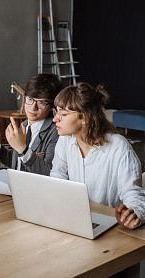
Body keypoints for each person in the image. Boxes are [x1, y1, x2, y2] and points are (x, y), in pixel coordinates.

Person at [50, 82, 145, 230]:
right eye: (56, 112)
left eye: (63, 114)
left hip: (109, 226)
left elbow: (133, 194)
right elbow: (57, 177)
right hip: (75, 219)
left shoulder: (119, 147)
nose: (55, 119)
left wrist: (134, 213)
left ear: (85, 118)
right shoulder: (65, 140)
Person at [0, 73, 64, 195]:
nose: (32, 107)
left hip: (38, 195)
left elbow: (49, 174)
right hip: (16, 191)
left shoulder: (56, 132)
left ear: (52, 106)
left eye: (41, 103)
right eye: (29, 99)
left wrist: (22, 149)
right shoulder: (24, 125)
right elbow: (18, 164)